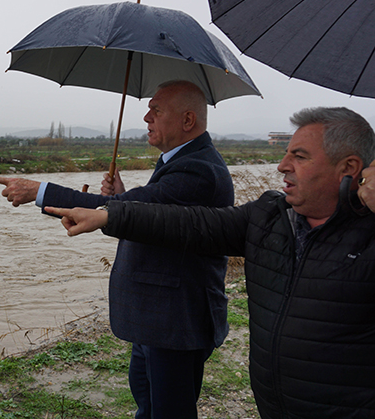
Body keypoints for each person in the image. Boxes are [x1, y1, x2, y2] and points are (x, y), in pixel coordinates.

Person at [46, 106, 375, 419]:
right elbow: (187, 223)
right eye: (287, 153)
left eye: (299, 156)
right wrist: (109, 213)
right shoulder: (269, 217)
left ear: (348, 168)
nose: (282, 165)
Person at [0, 80, 234, 419]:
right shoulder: (179, 161)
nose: (146, 117)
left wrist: (39, 191)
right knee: (148, 403)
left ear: (187, 120)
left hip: (175, 319)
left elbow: (143, 210)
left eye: (156, 110)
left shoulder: (199, 170)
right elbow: (157, 219)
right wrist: (120, 198)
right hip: (158, 315)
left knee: (168, 411)